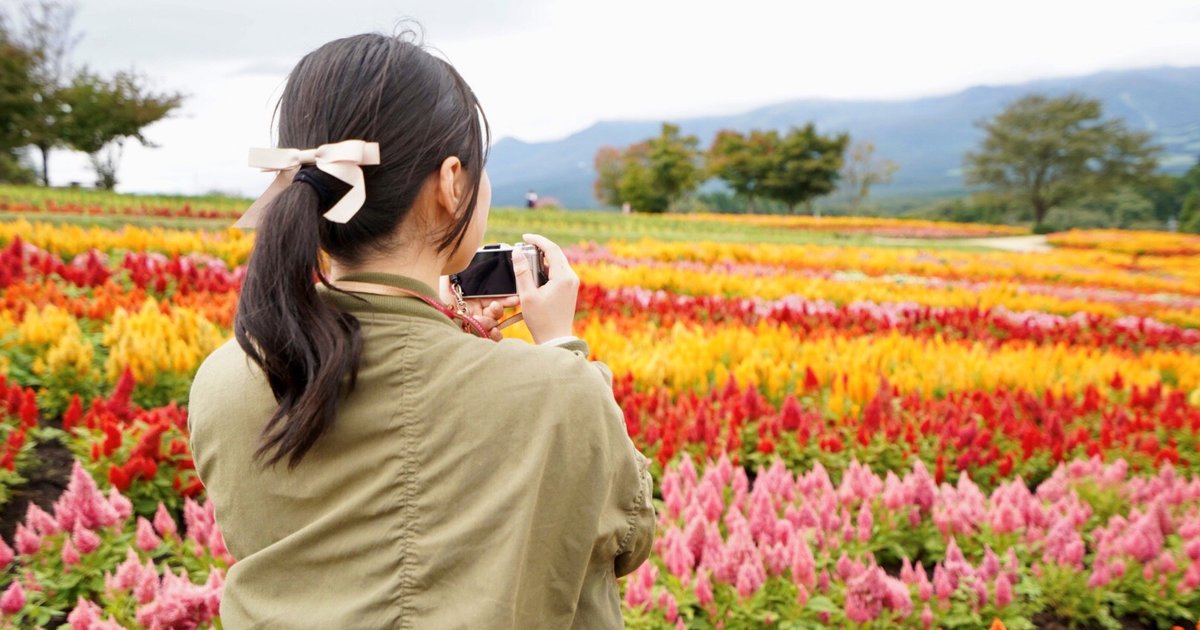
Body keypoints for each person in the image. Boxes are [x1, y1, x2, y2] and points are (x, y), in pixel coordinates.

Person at [188, 32, 655, 629]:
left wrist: (454, 341)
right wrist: (562, 349)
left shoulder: (227, 376)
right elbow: (629, 538)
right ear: (452, 181)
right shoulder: (557, 390)